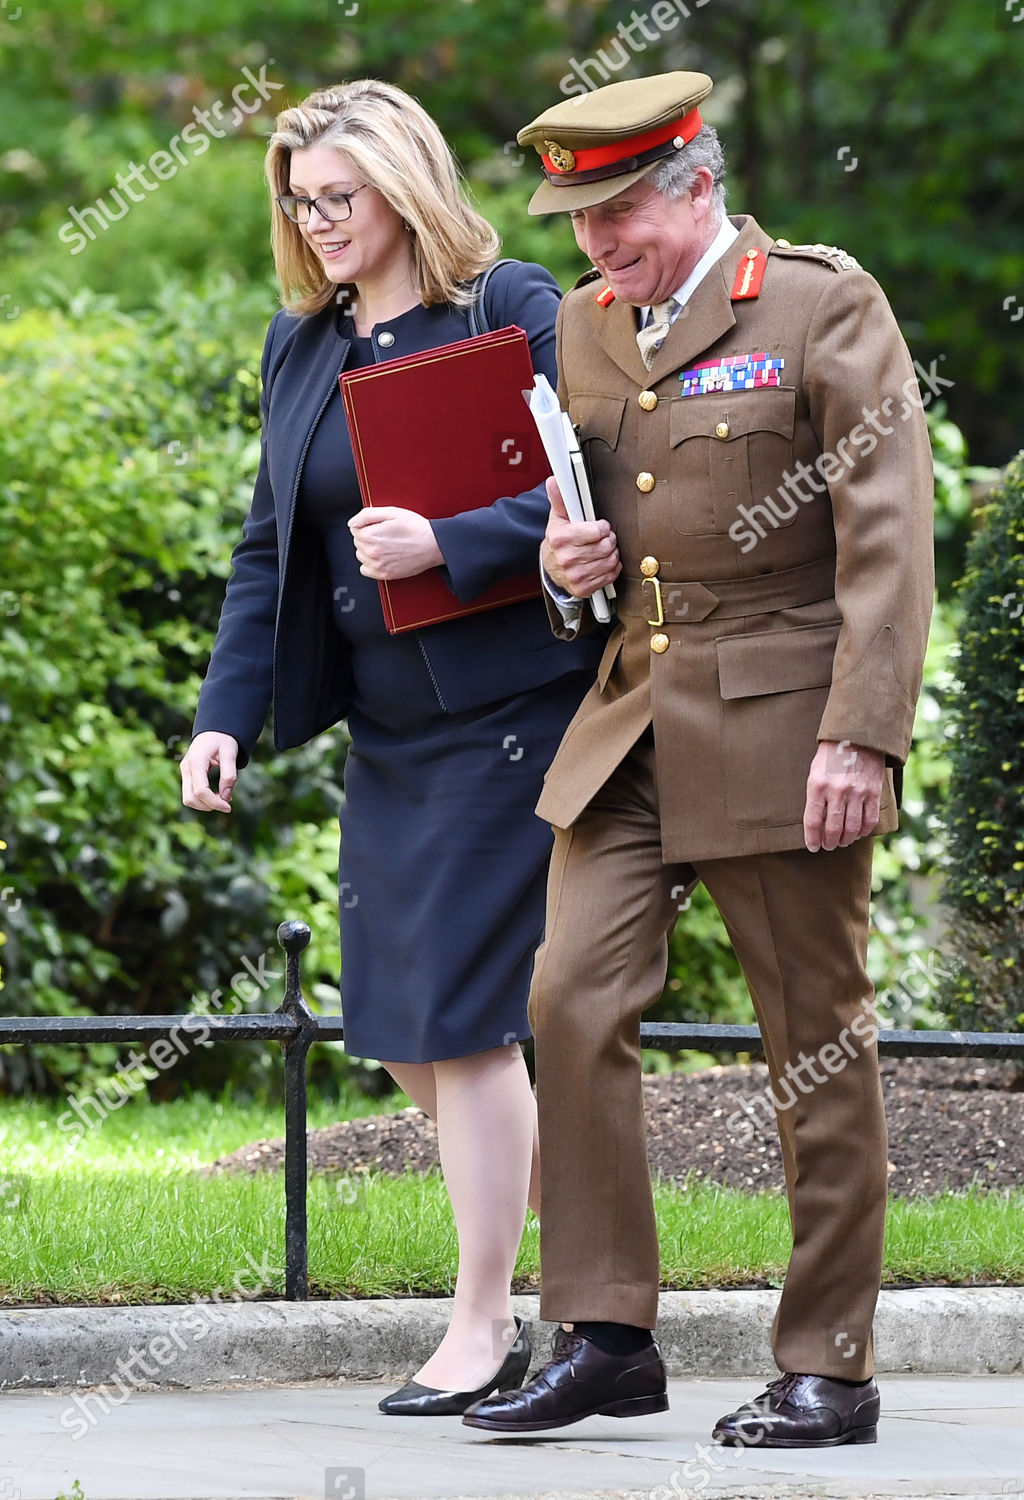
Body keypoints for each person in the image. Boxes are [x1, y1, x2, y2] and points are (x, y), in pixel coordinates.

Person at [462, 70, 934, 1446]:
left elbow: (891, 548)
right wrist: (564, 569)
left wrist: (863, 733)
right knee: (569, 998)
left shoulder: (820, 304)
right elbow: (588, 534)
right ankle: (606, 1330)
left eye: (617, 213)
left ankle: (829, 1365)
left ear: (696, 184)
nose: (595, 245)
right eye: (578, 219)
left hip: (789, 729)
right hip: (630, 719)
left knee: (812, 1037)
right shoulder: (590, 333)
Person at [179, 78, 601, 1417]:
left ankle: (484, 1325)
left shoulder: (512, 307)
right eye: (302, 203)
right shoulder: (300, 347)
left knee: (467, 1029)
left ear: (406, 186)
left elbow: (581, 477)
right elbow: (269, 548)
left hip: (513, 716)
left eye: (341, 198)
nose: (319, 223)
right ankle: (594, 1269)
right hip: (392, 733)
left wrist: (453, 545)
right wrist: (222, 715)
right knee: (408, 1038)